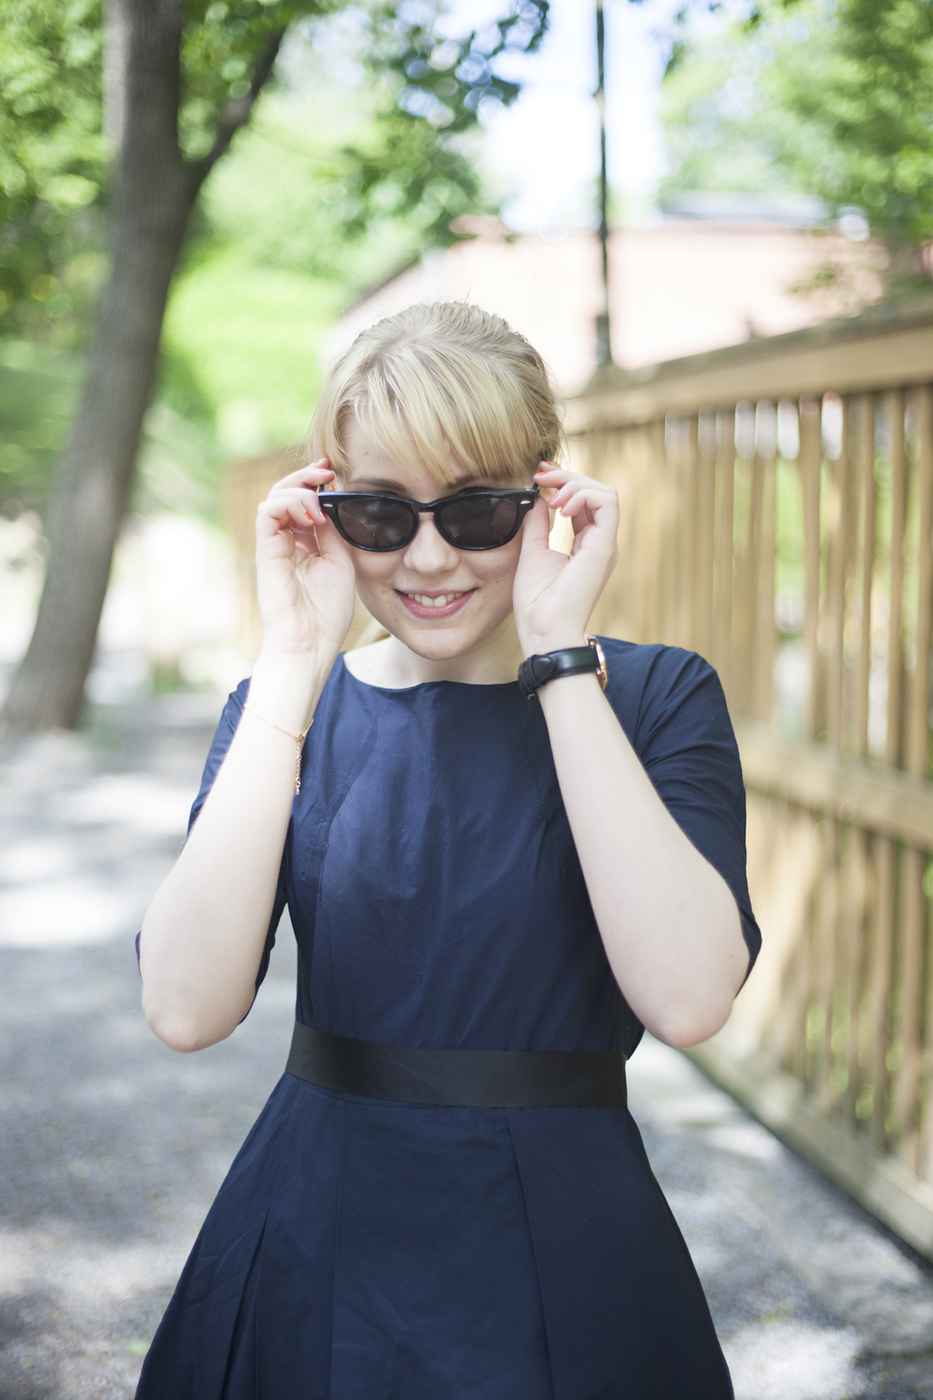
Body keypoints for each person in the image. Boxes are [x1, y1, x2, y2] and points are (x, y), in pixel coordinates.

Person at [135, 301, 759, 1400]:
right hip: (316, 1233)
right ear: (329, 509)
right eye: (380, 513)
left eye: (476, 511)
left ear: (546, 497)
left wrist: (557, 657)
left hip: (566, 1245)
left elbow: (689, 996)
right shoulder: (287, 709)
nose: (428, 556)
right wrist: (293, 660)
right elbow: (185, 1008)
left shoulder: (654, 695)